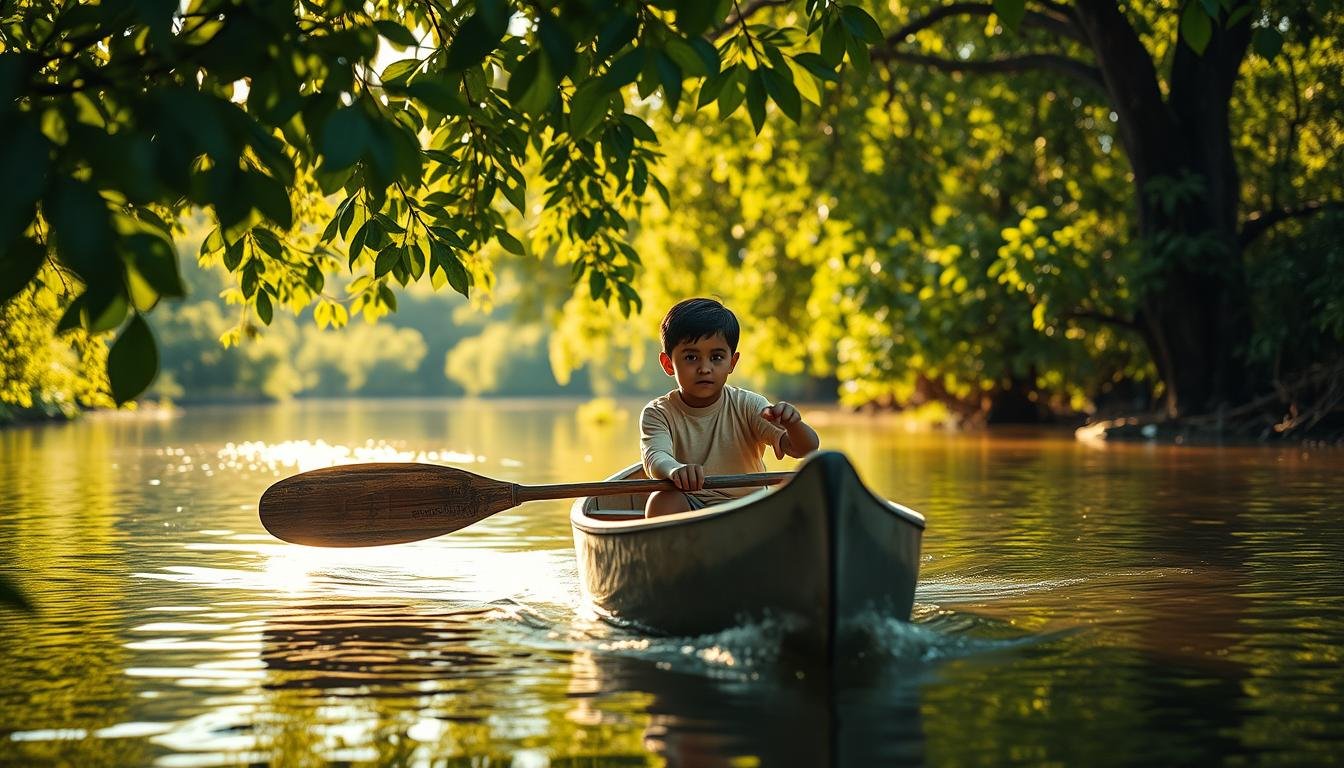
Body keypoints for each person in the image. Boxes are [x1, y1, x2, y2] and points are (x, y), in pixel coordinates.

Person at [640, 297, 820, 518]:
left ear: (732, 363)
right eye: (691, 357)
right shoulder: (658, 413)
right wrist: (674, 469)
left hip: (749, 508)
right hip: (691, 509)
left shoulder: (749, 405)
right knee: (662, 500)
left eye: (716, 357)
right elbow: (656, 456)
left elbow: (806, 449)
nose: (705, 368)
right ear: (668, 364)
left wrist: (794, 425)